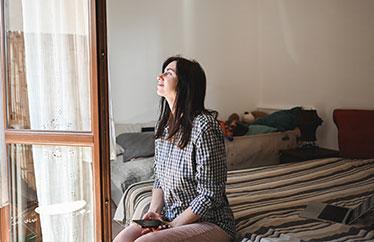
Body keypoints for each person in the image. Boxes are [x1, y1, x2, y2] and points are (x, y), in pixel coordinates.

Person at [113, 56, 236, 242]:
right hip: (172, 216)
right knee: (123, 239)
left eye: (168, 73)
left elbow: (210, 194)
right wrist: (154, 212)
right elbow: (159, 179)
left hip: (210, 222)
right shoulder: (163, 127)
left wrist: (172, 226)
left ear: (185, 84)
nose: (159, 76)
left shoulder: (205, 127)